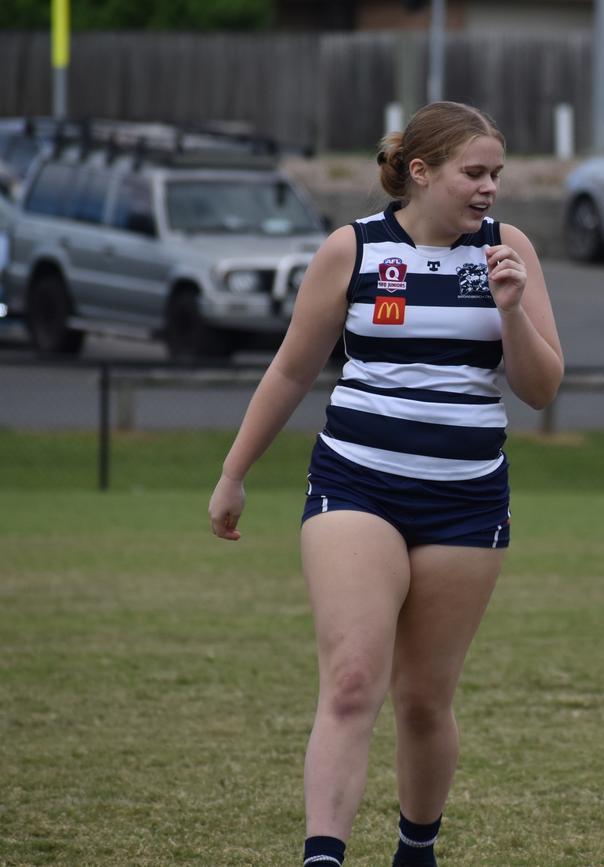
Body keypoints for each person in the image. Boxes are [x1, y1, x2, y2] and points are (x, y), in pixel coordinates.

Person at [209, 101, 563, 867]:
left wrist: (512, 312)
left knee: (424, 700)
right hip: (356, 485)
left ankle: (416, 849)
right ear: (421, 171)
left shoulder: (511, 251)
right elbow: (292, 369)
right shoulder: (356, 249)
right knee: (350, 680)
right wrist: (234, 473)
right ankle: (323, 856)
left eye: (497, 173)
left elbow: (540, 388)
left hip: (466, 499)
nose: (489, 188)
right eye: (474, 172)